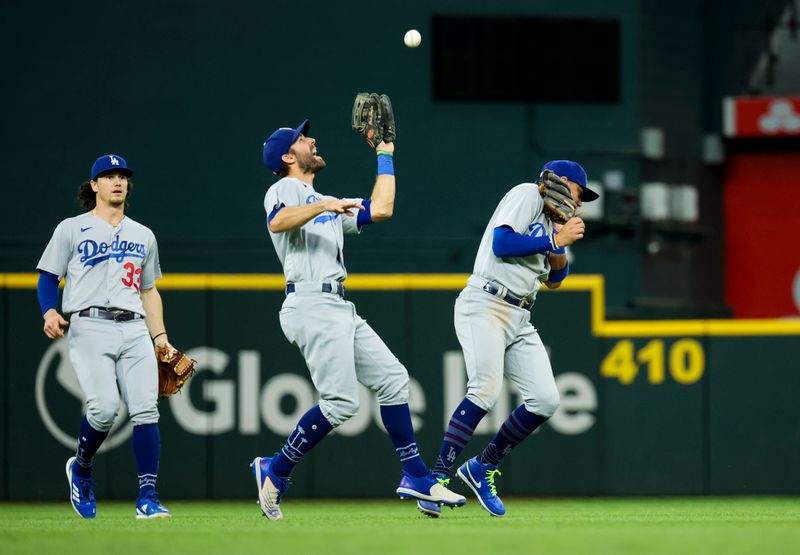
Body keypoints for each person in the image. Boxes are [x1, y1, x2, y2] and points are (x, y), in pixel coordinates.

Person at [250, 119, 465, 520]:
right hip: (310, 303)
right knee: (341, 403)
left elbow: (382, 209)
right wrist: (323, 204)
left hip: (336, 306)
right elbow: (277, 221)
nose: (311, 140)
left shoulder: (321, 200)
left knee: (393, 379)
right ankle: (275, 469)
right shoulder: (284, 188)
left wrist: (384, 154)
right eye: (301, 139)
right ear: (287, 156)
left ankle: (415, 475)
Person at [417, 160, 598, 518]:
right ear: (562, 183)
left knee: (546, 400)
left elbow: (556, 280)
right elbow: (502, 243)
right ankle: (434, 481)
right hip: (485, 301)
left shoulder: (552, 222)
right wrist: (553, 238)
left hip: (520, 313)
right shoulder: (527, 194)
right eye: (578, 192)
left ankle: (482, 466)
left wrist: (557, 242)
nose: (579, 202)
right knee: (484, 389)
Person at [37, 154, 175, 519]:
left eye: (123, 176)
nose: (117, 181)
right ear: (94, 185)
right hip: (89, 324)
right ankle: (81, 468)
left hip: (133, 327)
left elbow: (149, 290)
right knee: (104, 409)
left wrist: (160, 337)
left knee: (147, 409)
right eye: (109, 176)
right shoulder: (71, 228)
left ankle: (148, 498)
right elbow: (48, 276)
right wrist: (49, 310)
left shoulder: (143, 234)